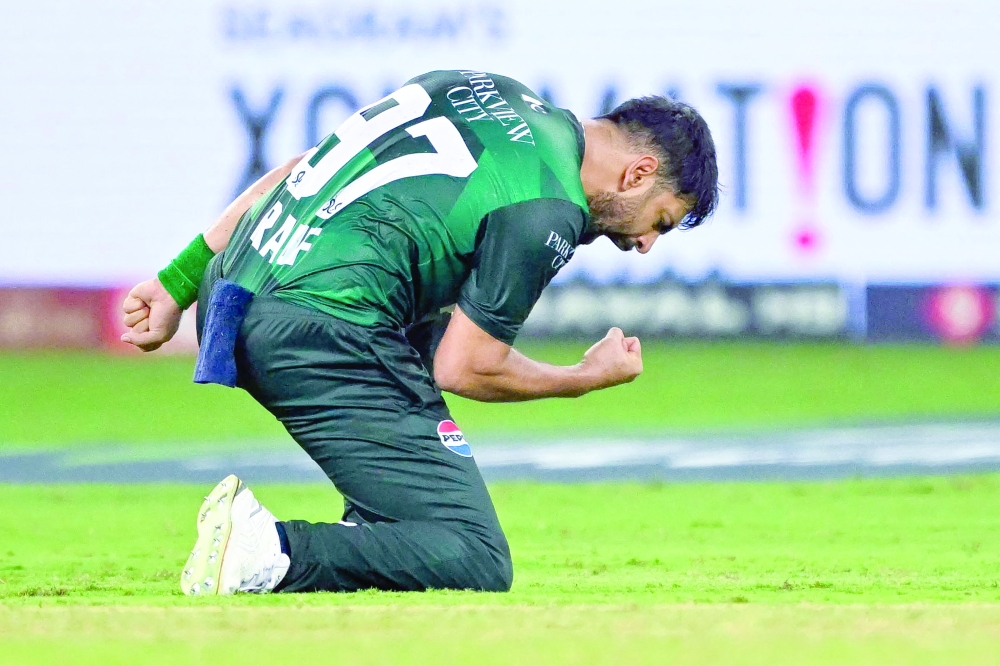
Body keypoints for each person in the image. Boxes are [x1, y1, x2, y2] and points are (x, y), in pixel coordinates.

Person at [121, 70, 719, 596]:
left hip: (235, 285)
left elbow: (303, 168)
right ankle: (265, 551)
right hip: (319, 327)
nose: (646, 243)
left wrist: (181, 278)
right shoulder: (547, 206)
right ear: (639, 173)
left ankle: (372, 537)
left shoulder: (486, 88)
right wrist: (584, 377)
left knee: (421, 336)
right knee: (473, 552)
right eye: (661, 221)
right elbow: (465, 367)